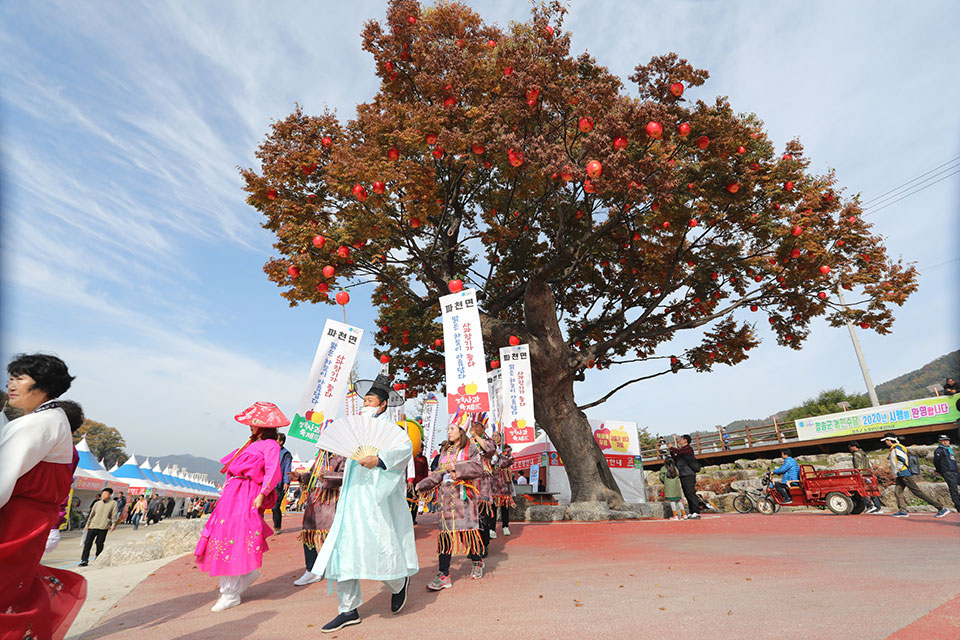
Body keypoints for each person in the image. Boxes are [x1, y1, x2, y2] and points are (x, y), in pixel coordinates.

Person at [312, 375, 418, 633]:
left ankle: (397, 582)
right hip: (351, 499)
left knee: (381, 547)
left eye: (370, 400)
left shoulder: (393, 430)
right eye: (364, 400)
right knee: (344, 550)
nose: (365, 404)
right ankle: (347, 610)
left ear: (382, 405)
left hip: (376, 500)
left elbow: (404, 451)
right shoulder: (357, 430)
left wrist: (380, 460)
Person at [0, 353, 86, 639]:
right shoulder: (54, 419)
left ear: (44, 385)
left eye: (20, 378)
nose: (11, 384)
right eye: (11, 377)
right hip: (29, 520)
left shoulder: (37, 423)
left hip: (15, 521)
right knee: (15, 590)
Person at [194, 401, 283, 612]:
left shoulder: (271, 445)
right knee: (223, 535)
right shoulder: (249, 444)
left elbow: (272, 471)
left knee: (234, 538)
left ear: (264, 426)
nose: (250, 426)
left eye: (254, 423)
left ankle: (230, 593)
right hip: (232, 495)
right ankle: (239, 580)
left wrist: (262, 494)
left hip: (247, 494)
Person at [416, 421, 484, 590]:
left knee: (465, 534)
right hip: (446, 498)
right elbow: (439, 473)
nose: (449, 431)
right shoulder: (446, 451)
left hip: (464, 498)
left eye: (452, 428)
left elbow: (478, 468)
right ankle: (444, 574)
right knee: (445, 536)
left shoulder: (471, 449)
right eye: (448, 428)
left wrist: (458, 467)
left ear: (461, 430)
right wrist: (422, 484)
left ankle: (477, 561)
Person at [293, 451, 345, 587]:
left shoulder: (342, 456)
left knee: (333, 536)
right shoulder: (321, 456)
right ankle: (311, 570)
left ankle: (339, 568)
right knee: (308, 533)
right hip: (314, 500)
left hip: (331, 500)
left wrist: (327, 476)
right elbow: (311, 476)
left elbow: (346, 476)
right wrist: (299, 477)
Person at [879, 432, 949, 518]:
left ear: (889, 440)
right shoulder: (894, 448)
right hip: (900, 474)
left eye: (886, 440)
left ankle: (941, 508)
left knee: (917, 492)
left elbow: (901, 459)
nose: (886, 442)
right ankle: (902, 510)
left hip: (902, 473)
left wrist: (899, 469)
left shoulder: (897, 447)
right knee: (898, 492)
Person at [470, 421, 497, 548]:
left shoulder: (489, 441)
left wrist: (476, 437)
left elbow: (489, 450)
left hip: (483, 483)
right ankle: (473, 546)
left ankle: (483, 544)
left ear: (483, 428)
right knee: (470, 517)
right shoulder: (467, 441)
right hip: (469, 482)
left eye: (477, 426)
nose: (474, 428)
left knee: (482, 515)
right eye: (472, 425)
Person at [80, 488, 118, 566]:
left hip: (103, 526)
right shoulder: (97, 503)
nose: (103, 495)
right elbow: (91, 515)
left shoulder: (113, 503)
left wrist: (113, 524)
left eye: (106, 494)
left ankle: (98, 558)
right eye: (103, 494)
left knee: (99, 543)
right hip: (92, 525)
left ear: (110, 495)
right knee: (87, 543)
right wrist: (87, 525)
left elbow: (114, 514)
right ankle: (84, 560)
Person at [668, 435, 701, 519]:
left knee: (690, 493)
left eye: (681, 439)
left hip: (689, 474)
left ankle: (696, 512)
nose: (680, 440)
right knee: (687, 493)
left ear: (685, 440)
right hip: (683, 474)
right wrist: (671, 451)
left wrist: (672, 448)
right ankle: (691, 511)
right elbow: (676, 458)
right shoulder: (682, 450)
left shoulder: (688, 449)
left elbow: (679, 451)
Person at [491, 430, 515, 536]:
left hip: (504, 479)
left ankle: (505, 526)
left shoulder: (506, 447)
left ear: (501, 437)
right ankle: (492, 528)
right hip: (493, 479)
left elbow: (509, 460)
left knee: (505, 503)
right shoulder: (489, 448)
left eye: (496, 435)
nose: (494, 437)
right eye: (493, 435)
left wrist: (500, 457)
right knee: (493, 504)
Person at [848, 442, 884, 513]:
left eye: (850, 448)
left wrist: (857, 474)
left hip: (862, 475)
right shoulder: (863, 453)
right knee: (871, 490)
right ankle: (877, 507)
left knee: (861, 490)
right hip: (868, 474)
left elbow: (858, 466)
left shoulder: (856, 454)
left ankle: (870, 506)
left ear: (854, 446)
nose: (850, 449)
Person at [272, 433, 293, 535]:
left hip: (279, 484)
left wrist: (287, 481)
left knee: (276, 506)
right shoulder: (270, 451)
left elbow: (287, 468)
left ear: (281, 442)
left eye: (276, 439)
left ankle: (277, 527)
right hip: (269, 483)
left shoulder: (286, 454)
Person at [933, 434, 959, 511]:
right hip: (948, 472)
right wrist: (939, 470)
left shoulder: (949, 449)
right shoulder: (939, 451)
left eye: (947, 440)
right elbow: (936, 462)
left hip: (955, 471)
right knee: (954, 490)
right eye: (943, 441)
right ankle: (958, 506)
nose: (946, 442)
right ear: (939, 441)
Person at [407, 449, 429, 524]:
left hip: (419, 483)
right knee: (408, 500)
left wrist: (424, 483)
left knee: (415, 502)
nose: (419, 449)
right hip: (409, 483)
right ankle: (406, 518)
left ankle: (413, 518)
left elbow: (425, 471)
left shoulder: (424, 459)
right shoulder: (412, 458)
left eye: (421, 447)